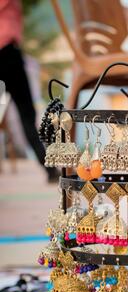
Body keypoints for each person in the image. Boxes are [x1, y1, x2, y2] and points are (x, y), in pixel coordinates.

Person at [0, 0, 57, 182]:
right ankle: (49, 169)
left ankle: (49, 168)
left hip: (9, 53)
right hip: (8, 54)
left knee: (27, 115)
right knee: (26, 115)